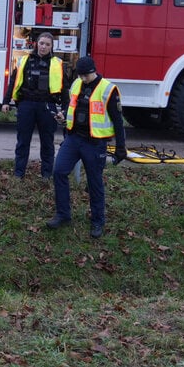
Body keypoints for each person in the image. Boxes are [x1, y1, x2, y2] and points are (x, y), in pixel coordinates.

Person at [47, 56, 128, 239]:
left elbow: (118, 121)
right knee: (59, 171)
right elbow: (72, 108)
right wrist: (63, 116)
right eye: (80, 75)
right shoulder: (77, 84)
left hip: (95, 143)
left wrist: (121, 147)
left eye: (86, 76)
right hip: (74, 139)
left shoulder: (108, 89)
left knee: (94, 182)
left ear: (94, 71)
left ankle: (98, 221)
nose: (83, 79)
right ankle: (63, 215)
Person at [2, 32, 65, 179]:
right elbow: (13, 82)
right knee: (23, 141)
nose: (43, 47)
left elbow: (65, 88)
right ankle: (19, 174)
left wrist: (65, 109)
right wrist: (5, 102)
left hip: (47, 105)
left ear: (51, 47)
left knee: (47, 142)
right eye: (41, 43)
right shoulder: (24, 60)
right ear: (36, 43)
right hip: (26, 104)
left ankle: (46, 175)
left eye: (47, 44)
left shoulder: (57, 63)